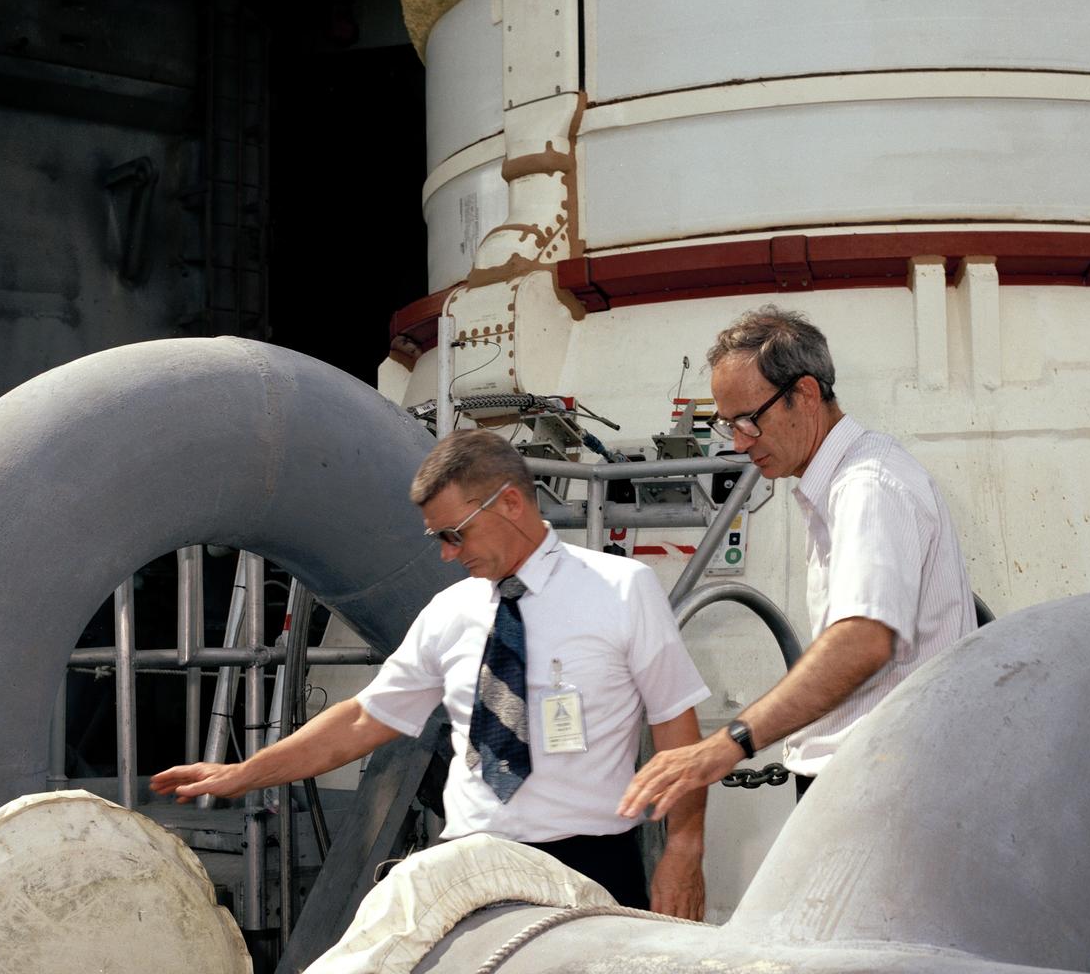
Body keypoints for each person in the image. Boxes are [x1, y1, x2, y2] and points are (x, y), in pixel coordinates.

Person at [152, 430, 711, 919]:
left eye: (454, 534)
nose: (447, 555)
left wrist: (684, 850)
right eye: (437, 539)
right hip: (471, 864)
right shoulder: (450, 612)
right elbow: (364, 720)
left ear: (511, 503)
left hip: (592, 861)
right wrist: (244, 774)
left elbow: (676, 729)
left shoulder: (621, 589)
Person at [618, 306, 975, 820]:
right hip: (880, 774)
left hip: (887, 784)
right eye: (728, 425)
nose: (739, 443)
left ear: (805, 395)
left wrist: (728, 743)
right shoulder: (841, 485)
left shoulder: (867, 486)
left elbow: (862, 640)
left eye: (748, 420)